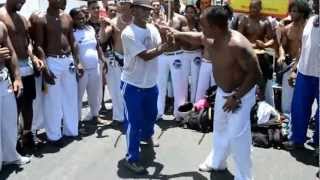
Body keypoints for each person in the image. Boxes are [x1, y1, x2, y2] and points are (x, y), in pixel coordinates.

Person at [167, 5, 262, 180]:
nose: (200, 29)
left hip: (239, 96)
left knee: (237, 138)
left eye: (203, 25)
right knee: (219, 129)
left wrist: (236, 97)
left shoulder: (238, 45)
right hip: (222, 93)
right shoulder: (212, 37)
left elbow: (256, 74)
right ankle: (218, 162)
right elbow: (197, 38)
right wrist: (176, 33)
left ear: (216, 28)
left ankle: (244, 176)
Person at [121, 0, 171, 174]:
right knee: (133, 123)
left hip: (150, 83)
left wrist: (167, 35)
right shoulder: (128, 33)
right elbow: (145, 56)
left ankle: (146, 136)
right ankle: (131, 158)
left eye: (148, 9)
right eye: (143, 9)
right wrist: (165, 47)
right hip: (132, 85)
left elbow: (160, 44)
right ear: (133, 10)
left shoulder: (153, 28)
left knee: (151, 116)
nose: (147, 12)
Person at [33, 0, 82, 146]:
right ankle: (54, 136)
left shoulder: (67, 17)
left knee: (70, 97)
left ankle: (71, 131)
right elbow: (39, 45)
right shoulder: (42, 18)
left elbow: (72, 41)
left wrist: (77, 61)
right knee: (52, 101)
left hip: (68, 61)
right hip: (52, 61)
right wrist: (45, 67)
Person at [0, 0, 44, 148]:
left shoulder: (22, 18)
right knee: (14, 107)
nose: (23, 1)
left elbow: (27, 42)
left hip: (27, 66)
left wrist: (34, 57)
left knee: (28, 103)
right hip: (11, 68)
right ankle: (14, 141)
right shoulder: (1, 15)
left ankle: (27, 134)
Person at [283, 0, 319, 151]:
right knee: (298, 108)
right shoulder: (311, 20)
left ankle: (317, 143)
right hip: (304, 73)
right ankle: (297, 139)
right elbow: (303, 48)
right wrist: (294, 70)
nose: (316, 3)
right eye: (316, 1)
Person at [0, 21, 30, 171]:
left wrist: (17, 78)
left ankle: (11, 156)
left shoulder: (1, 26)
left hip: (4, 81)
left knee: (10, 122)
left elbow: (11, 53)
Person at [99, 0, 133, 126]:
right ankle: (118, 117)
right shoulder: (112, 22)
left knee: (132, 90)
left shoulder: (137, 21)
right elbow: (102, 39)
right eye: (121, 3)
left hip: (134, 60)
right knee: (116, 90)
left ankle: (132, 115)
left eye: (126, 3)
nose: (123, 5)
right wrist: (103, 26)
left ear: (131, 5)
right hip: (117, 60)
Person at [70, 8, 106, 124]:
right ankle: (77, 122)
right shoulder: (71, 32)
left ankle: (95, 115)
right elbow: (71, 50)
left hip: (94, 67)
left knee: (94, 94)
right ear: (72, 19)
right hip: (81, 70)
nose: (81, 20)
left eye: (83, 18)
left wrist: (103, 59)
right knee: (78, 97)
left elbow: (97, 46)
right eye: (78, 18)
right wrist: (78, 64)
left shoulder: (90, 29)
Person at [238, 0, 275, 106]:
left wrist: (265, 45)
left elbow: (272, 39)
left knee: (261, 81)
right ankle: (244, 102)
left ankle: (261, 105)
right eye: (251, 8)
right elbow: (238, 37)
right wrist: (252, 45)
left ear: (260, 8)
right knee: (245, 80)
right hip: (247, 55)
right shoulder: (244, 20)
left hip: (261, 56)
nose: (253, 10)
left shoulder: (265, 21)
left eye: (255, 8)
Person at [156, 0, 188, 120]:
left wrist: (174, 32)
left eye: (169, 1)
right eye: (164, 1)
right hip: (162, 55)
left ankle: (179, 113)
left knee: (179, 85)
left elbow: (186, 36)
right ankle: (158, 112)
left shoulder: (181, 19)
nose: (166, 3)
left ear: (175, 3)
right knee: (160, 84)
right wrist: (159, 26)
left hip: (177, 55)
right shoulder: (157, 19)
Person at [277, 0, 311, 114]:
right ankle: (286, 122)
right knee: (287, 100)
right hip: (290, 66)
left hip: (306, 67)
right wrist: (281, 55)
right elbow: (282, 46)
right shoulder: (287, 29)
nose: (291, 13)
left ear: (302, 13)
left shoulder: (310, 29)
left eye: (294, 11)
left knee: (304, 98)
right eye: (290, 11)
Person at [181, 4, 202, 103]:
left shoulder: (199, 25)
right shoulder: (182, 24)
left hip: (196, 54)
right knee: (183, 80)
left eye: (191, 12)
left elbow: (202, 40)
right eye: (187, 12)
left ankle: (194, 103)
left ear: (195, 13)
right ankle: (184, 103)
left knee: (195, 80)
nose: (189, 14)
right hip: (184, 54)